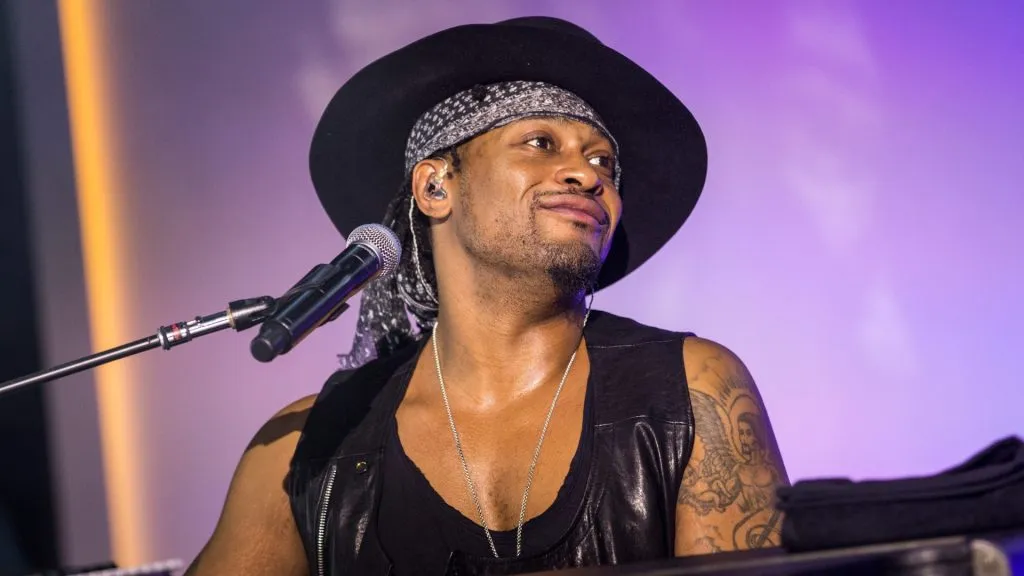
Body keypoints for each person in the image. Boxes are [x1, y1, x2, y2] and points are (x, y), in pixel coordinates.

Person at [185, 16, 788, 576]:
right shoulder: (308, 445)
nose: (588, 174)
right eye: (540, 143)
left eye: (604, 160)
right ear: (435, 185)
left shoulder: (690, 389)